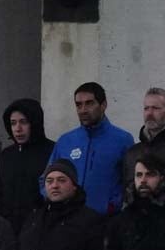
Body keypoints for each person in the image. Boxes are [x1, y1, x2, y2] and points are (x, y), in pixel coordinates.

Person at [46, 82, 133, 215]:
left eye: (89, 103)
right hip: (68, 220)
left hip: (104, 221)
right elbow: (46, 177)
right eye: (78, 105)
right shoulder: (65, 141)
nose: (83, 110)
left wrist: (112, 205)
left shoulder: (122, 140)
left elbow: (130, 181)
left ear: (103, 105)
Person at [0, 98, 55, 238]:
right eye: (13, 123)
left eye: (23, 122)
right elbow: (0, 194)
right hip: (8, 232)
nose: (18, 129)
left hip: (42, 231)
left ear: (34, 123)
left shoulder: (52, 151)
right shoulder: (6, 155)